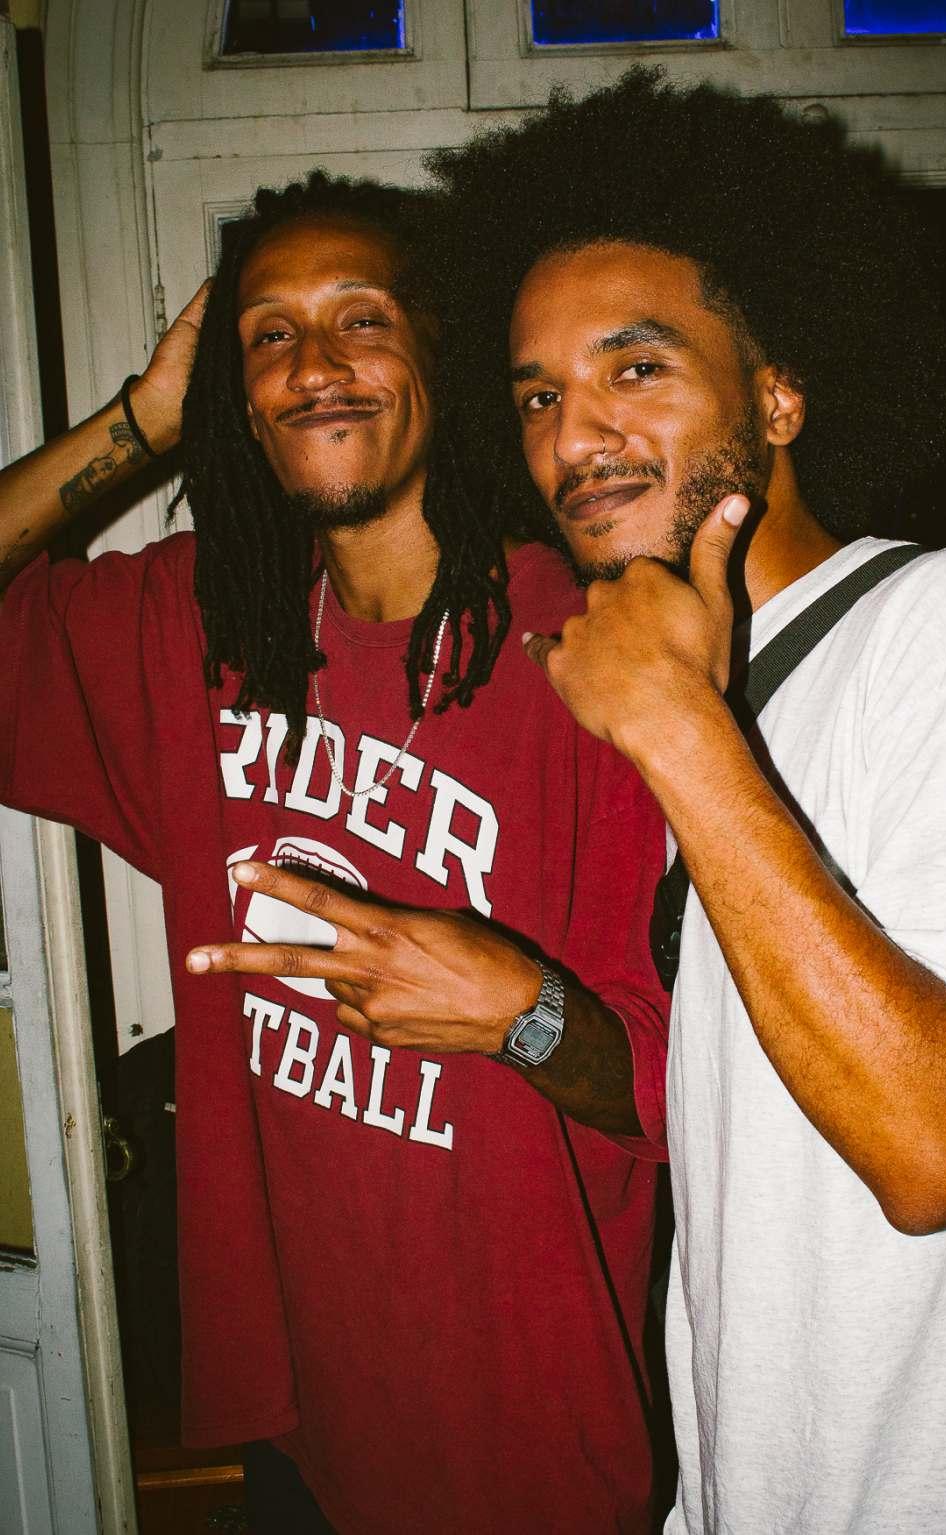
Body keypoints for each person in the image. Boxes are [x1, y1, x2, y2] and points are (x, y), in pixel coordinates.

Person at [427, 71, 946, 1533]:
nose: (575, 437)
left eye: (635, 368)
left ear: (779, 396)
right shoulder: (719, 694)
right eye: (540, 396)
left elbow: (937, 1154)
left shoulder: (945, 621)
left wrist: (677, 732)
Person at [0, 172, 670, 1533]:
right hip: (304, 1417)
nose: (314, 365)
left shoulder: (598, 646)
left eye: (361, 319)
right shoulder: (201, 627)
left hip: (527, 1428)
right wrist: (142, 420)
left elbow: (681, 1096)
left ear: (437, 359)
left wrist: (519, 1011)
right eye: (270, 335)